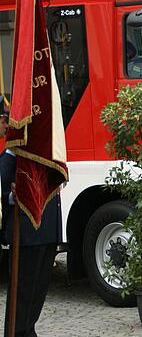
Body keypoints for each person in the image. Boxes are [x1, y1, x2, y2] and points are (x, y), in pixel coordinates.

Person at [1, 136, 63, 336]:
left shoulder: (47, 142)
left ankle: (27, 332)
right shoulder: (12, 153)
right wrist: (12, 196)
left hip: (47, 231)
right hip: (26, 232)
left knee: (36, 296)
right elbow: (2, 181)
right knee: (22, 297)